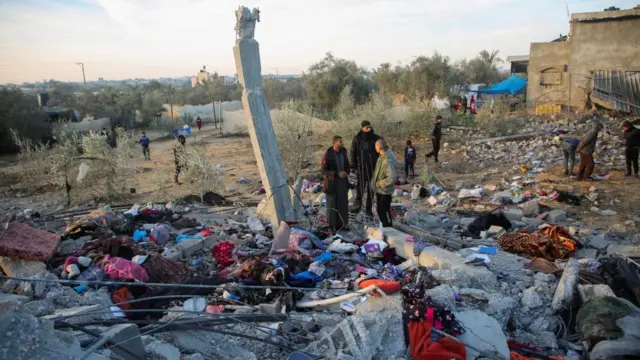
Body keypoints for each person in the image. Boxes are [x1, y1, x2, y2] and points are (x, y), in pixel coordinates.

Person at [350, 120, 382, 217]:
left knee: (371, 190)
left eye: (370, 127)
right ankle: (357, 207)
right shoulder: (357, 138)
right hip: (361, 168)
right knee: (360, 189)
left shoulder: (376, 137)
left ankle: (368, 209)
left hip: (373, 168)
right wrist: (354, 166)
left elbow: (382, 150)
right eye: (366, 128)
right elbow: (353, 153)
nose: (369, 129)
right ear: (362, 128)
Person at [321, 136, 351, 232]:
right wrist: (336, 173)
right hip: (331, 182)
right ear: (335, 143)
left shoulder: (344, 152)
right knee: (332, 203)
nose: (342, 143)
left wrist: (346, 172)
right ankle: (332, 225)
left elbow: (347, 166)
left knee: (343, 203)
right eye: (340, 142)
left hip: (342, 182)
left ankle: (342, 224)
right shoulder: (328, 154)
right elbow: (323, 170)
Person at [371, 139, 397, 227]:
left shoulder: (387, 160)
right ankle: (386, 227)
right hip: (381, 190)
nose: (375, 148)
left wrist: (380, 183)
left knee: (383, 211)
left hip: (385, 190)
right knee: (381, 211)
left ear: (379, 147)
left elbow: (392, 178)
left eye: (375, 146)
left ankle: (387, 228)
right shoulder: (382, 156)